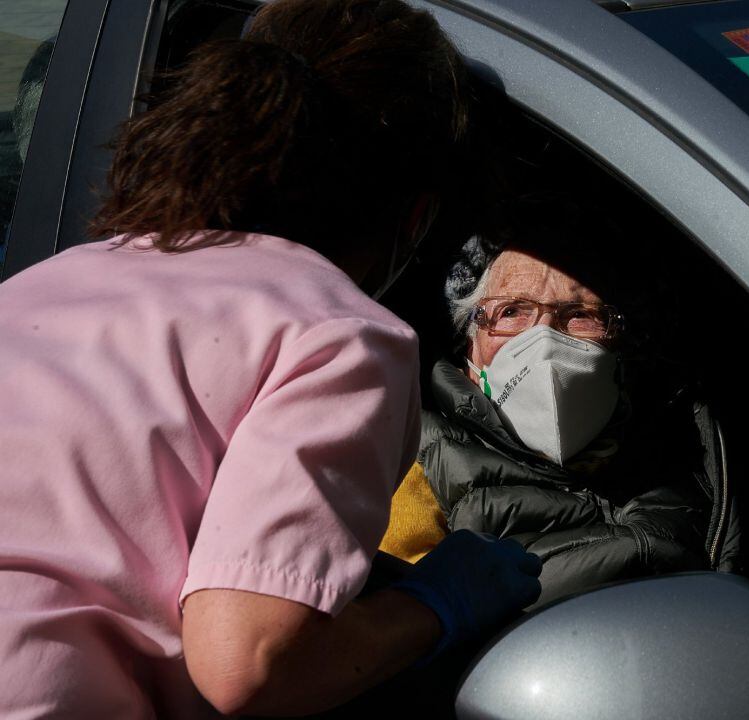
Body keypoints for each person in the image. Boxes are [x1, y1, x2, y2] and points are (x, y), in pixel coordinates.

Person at [0, 1, 540, 717]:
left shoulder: (47, 282)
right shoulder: (338, 337)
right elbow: (246, 666)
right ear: (415, 217)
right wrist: (438, 603)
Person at [380, 195, 741, 606]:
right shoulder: (409, 467)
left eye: (581, 315)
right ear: (469, 346)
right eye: (512, 312)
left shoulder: (690, 459)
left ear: (623, 349)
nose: (545, 340)